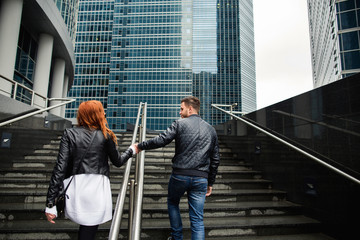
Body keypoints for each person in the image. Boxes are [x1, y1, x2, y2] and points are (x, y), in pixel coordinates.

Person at [45, 100, 136, 240]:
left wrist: (50, 203)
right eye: (102, 111)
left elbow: (60, 167)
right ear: (97, 114)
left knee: (85, 231)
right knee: (89, 230)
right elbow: (117, 161)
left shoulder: (69, 134)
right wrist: (131, 151)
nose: (105, 113)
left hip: (77, 187)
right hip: (97, 188)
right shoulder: (106, 135)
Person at [134, 96, 220, 240]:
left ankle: (176, 237)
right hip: (201, 178)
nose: (180, 112)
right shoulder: (211, 130)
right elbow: (216, 159)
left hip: (180, 175)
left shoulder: (179, 124)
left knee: (173, 203)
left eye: (181, 109)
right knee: (197, 220)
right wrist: (210, 182)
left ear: (190, 108)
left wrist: (140, 146)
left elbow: (162, 140)